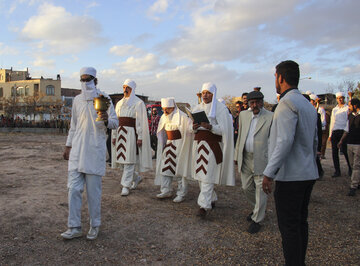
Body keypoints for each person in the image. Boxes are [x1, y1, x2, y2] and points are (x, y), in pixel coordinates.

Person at [262, 60, 318, 265]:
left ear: (280, 78)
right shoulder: (306, 104)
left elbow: (284, 141)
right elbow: (315, 141)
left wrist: (269, 173)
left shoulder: (287, 104)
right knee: (300, 223)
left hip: (291, 176)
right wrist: (312, 166)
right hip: (307, 174)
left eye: (275, 77)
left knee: (289, 228)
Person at [61, 67, 118, 240]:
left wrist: (107, 119)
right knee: (73, 190)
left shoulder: (104, 99)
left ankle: (95, 225)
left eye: (89, 79)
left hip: (94, 149)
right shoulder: (77, 100)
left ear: (96, 80)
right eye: (83, 80)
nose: (85, 83)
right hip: (77, 150)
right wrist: (68, 146)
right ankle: (74, 226)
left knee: (94, 193)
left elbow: (115, 123)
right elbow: (74, 125)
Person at [178, 82, 235, 218]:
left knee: (208, 175)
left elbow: (225, 130)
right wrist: (194, 126)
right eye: (203, 93)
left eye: (208, 93)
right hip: (198, 145)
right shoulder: (197, 107)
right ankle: (211, 198)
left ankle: (203, 206)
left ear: (213, 94)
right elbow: (190, 128)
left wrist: (210, 127)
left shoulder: (221, 109)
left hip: (212, 145)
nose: (205, 95)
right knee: (200, 175)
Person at [234, 91, 273, 234]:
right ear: (248, 104)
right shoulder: (243, 115)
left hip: (262, 158)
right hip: (246, 157)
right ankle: (258, 209)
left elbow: (273, 140)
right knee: (246, 187)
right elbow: (240, 136)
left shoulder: (270, 117)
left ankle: (257, 219)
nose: (255, 105)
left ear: (262, 102)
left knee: (260, 190)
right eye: (252, 102)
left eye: (257, 102)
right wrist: (236, 154)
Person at [111, 79, 152, 196]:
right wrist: (114, 135)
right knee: (123, 162)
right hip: (120, 133)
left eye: (127, 87)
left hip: (131, 134)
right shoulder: (119, 103)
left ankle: (125, 185)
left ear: (132, 89)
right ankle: (136, 177)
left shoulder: (138, 103)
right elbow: (115, 120)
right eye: (124, 87)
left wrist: (140, 137)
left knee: (129, 160)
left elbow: (140, 122)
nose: (125, 89)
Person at [154, 97, 192, 203]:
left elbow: (189, 130)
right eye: (163, 109)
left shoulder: (183, 117)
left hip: (180, 145)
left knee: (179, 170)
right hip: (168, 145)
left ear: (173, 107)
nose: (165, 111)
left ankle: (181, 193)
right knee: (165, 168)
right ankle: (166, 190)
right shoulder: (163, 117)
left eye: (168, 109)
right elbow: (161, 132)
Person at [338, 98, 360, 196]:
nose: (349, 107)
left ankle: (353, 186)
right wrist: (341, 140)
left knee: (356, 165)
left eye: (350, 105)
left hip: (358, 144)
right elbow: (346, 130)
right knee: (352, 165)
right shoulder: (350, 116)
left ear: (355, 106)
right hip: (350, 143)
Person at [329, 92, 351, 177]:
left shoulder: (347, 108)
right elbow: (332, 122)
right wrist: (330, 134)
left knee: (345, 151)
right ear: (336, 99)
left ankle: (350, 168)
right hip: (335, 131)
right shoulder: (335, 109)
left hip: (343, 131)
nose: (340, 99)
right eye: (338, 98)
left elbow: (348, 120)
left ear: (344, 98)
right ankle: (337, 170)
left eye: (341, 98)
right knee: (334, 152)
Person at [309, 94, 324, 179]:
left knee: (315, 157)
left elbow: (318, 131)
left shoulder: (316, 114)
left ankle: (319, 171)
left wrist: (319, 146)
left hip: (314, 139)